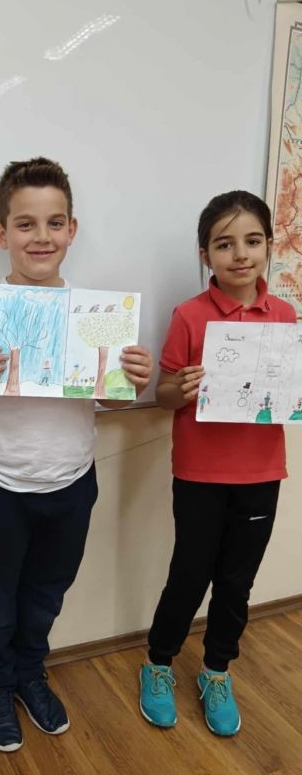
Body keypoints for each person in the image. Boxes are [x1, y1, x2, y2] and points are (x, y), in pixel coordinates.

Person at [0, 157, 152, 752]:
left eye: (55, 223)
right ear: (1, 233)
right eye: (25, 224)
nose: (41, 236)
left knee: (46, 594)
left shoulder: (95, 315)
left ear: (72, 230)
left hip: (71, 483)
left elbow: (111, 399)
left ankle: (30, 672)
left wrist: (130, 380)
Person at [139, 191, 296, 737]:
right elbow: (162, 395)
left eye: (252, 241)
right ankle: (158, 662)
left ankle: (216, 670)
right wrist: (179, 388)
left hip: (262, 473)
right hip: (200, 474)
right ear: (205, 254)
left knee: (236, 581)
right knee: (189, 574)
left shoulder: (284, 315)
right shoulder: (189, 315)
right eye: (224, 244)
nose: (240, 254)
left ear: (269, 246)